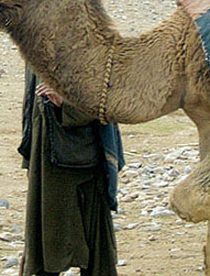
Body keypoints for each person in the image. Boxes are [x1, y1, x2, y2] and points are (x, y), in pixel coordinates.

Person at [19, 66, 125, 276]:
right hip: (45, 157)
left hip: (84, 159)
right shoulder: (34, 45)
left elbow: (107, 98)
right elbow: (32, 101)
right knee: (45, 244)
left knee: (94, 249)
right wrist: (30, 157)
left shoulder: (88, 40)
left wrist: (66, 102)